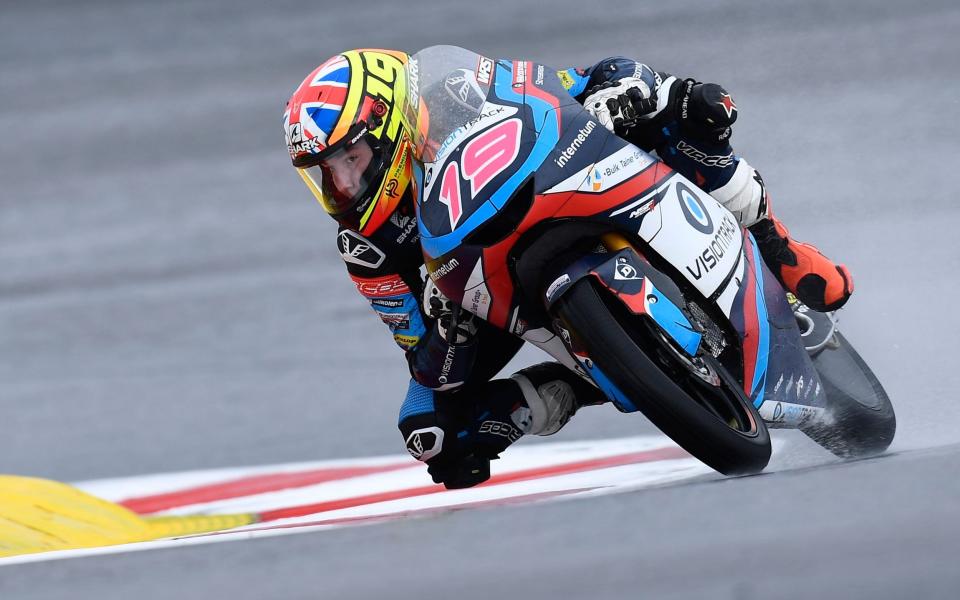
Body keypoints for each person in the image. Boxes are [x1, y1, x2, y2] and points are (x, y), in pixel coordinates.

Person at [282, 48, 853, 488]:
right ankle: (567, 390)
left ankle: (774, 245)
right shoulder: (368, 249)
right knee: (433, 435)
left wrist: (618, 89)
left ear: (389, 125)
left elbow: (567, 83)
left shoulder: (454, 91)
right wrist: (439, 326)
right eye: (324, 176)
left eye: (349, 161)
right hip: (477, 288)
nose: (343, 187)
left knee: (686, 104)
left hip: (556, 182)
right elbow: (423, 361)